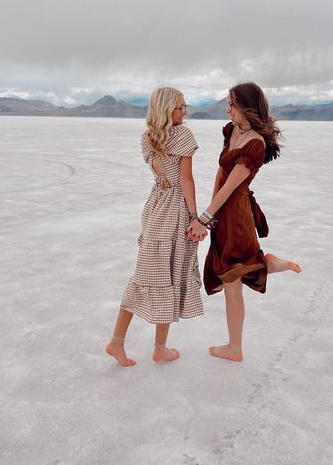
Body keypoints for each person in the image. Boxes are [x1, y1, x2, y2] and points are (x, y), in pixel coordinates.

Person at [187, 82, 301, 362]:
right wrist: (209, 214)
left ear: (247, 107)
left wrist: (205, 217)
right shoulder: (233, 130)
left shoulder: (255, 144)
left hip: (236, 213)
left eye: (232, 105)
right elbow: (220, 173)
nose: (228, 110)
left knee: (232, 277)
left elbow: (232, 186)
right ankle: (235, 345)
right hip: (221, 212)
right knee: (232, 276)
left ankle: (235, 347)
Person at [106, 87, 205, 366]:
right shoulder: (183, 135)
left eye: (185, 107)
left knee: (155, 275)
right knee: (158, 276)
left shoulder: (148, 137)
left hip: (154, 208)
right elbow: (186, 180)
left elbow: (163, 175)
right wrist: (195, 216)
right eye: (179, 107)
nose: (184, 112)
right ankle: (134, 345)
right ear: (165, 109)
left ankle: (146, 346)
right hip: (174, 209)